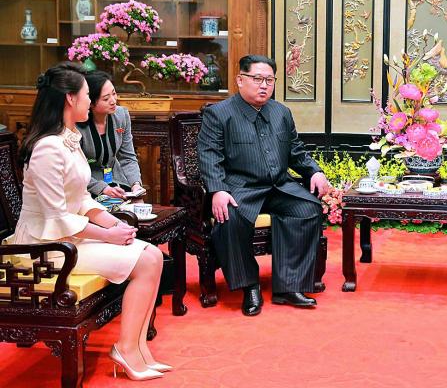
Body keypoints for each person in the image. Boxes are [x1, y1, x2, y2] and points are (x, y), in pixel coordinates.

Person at [10, 63, 168, 381]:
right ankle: (126, 348)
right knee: (145, 261)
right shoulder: (47, 149)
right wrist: (110, 236)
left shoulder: (67, 139)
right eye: (85, 94)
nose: (88, 100)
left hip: (66, 236)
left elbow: (82, 200)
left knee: (152, 254)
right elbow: (58, 217)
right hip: (44, 246)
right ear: (70, 99)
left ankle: (136, 348)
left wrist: (113, 223)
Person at [198, 54, 331, 316]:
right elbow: (209, 155)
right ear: (240, 80)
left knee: (308, 209)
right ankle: (249, 286)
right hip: (240, 189)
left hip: (279, 187)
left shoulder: (281, 112)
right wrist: (218, 190)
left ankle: (289, 287)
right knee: (229, 218)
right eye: (257, 78)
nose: (264, 85)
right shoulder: (219, 114)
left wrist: (314, 172)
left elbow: (296, 151)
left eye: (269, 80)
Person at [77, 70, 144, 198]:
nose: (113, 101)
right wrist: (102, 188)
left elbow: (127, 157)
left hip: (118, 183)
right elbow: (74, 170)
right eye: (106, 98)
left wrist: (135, 184)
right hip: (87, 187)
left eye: (114, 94)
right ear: (90, 102)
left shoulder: (121, 115)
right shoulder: (77, 124)